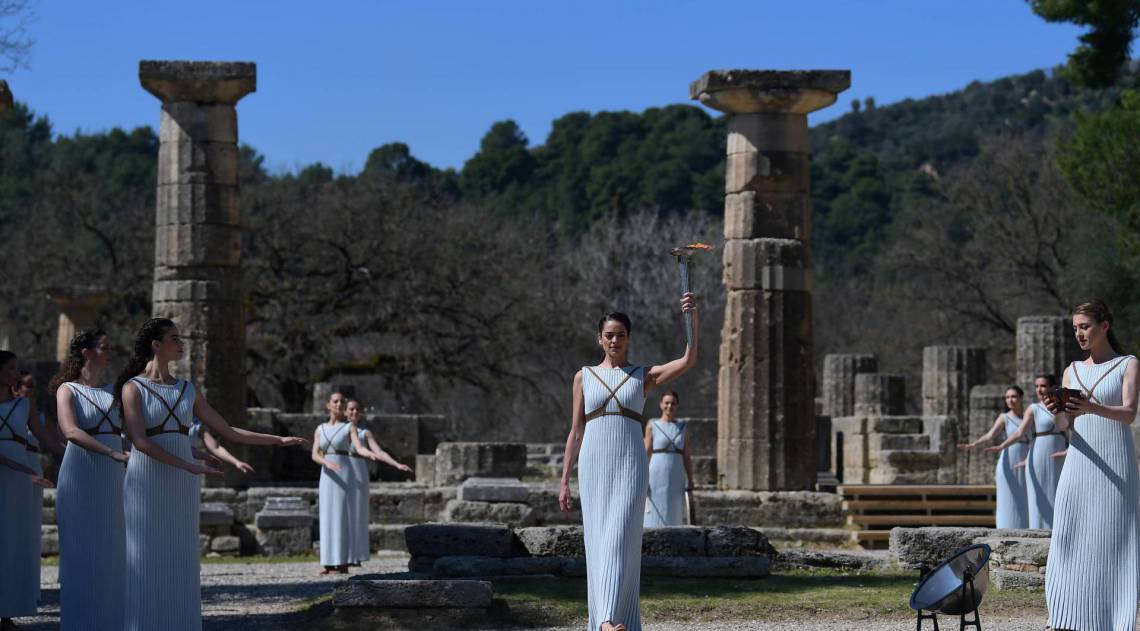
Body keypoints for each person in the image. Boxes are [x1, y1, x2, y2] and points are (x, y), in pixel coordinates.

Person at [115, 318, 308, 631]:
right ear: (156, 345)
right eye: (174, 338)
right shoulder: (132, 388)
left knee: (180, 553)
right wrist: (188, 464)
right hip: (147, 479)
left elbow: (228, 430)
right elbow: (140, 441)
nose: (181, 344)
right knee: (145, 554)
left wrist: (278, 439)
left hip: (182, 479)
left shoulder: (188, 389)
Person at [558, 293, 699, 631]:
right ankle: (608, 620)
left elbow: (689, 359)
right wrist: (564, 480)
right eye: (609, 335)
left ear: (629, 338)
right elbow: (575, 432)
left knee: (622, 537)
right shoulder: (584, 377)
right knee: (598, 541)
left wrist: (692, 318)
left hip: (630, 465)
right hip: (594, 465)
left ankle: (611, 620)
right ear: (600, 339)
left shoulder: (643, 375)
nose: (615, 340)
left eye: (621, 334)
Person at [1045, 300, 1139, 630]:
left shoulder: (1128, 364)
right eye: (1075, 329)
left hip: (1116, 462)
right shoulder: (1072, 369)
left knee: (1114, 538)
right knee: (1068, 534)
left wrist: (1090, 406)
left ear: (1104, 326)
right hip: (1080, 462)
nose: (1079, 334)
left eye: (1084, 326)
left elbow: (1128, 413)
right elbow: (1063, 425)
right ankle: (1066, 615)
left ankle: (1115, 619)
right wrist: (1055, 409)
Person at [50, 330, 129, 631]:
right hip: (81, 473)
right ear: (86, 352)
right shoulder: (66, 390)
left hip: (112, 475)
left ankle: (111, 621)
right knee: (81, 550)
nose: (110, 352)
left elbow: (129, 436)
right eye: (104, 348)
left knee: (112, 549)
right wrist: (112, 452)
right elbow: (70, 431)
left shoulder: (114, 390)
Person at [0, 351, 53, 631]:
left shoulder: (25, 405)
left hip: (19, 479)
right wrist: (18, 468)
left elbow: (45, 437)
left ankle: (6, 610)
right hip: (12, 473)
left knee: (12, 541)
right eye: (10, 369)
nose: (15, 374)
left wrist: (72, 452)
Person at [990, 374, 1066, 529]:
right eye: (1037, 386)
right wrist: (1003, 445)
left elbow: (1071, 429)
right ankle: (1039, 532)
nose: (1039, 389)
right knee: (1040, 496)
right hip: (1039, 453)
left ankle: (1060, 530)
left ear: (1052, 387)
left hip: (1059, 452)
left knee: (1060, 493)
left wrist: (1069, 449)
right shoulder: (1033, 408)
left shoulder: (1062, 407)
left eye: (1043, 386)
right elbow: (1019, 433)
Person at [345, 399, 412, 566]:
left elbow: (379, 451)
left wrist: (396, 464)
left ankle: (356, 555)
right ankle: (341, 554)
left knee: (358, 512)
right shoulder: (337, 430)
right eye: (351, 409)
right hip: (342, 469)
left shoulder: (364, 432)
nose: (354, 412)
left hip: (358, 469)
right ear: (345, 412)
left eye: (357, 409)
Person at [311, 391, 371, 574]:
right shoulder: (320, 429)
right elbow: (314, 454)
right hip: (327, 474)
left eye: (341, 402)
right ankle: (327, 562)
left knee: (342, 516)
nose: (338, 404)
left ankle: (343, 561)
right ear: (328, 405)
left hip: (345, 473)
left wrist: (371, 454)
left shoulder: (349, 428)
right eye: (335, 401)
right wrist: (326, 462)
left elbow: (359, 447)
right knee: (327, 516)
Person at [958, 385, 1029, 528]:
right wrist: (974, 444)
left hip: (1025, 458)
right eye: (1007, 397)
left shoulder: (1029, 415)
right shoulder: (1004, 417)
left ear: (1021, 398)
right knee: (1007, 497)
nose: (1010, 400)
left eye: (1014, 396)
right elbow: (991, 434)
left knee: (1025, 497)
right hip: (1008, 459)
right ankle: (1005, 527)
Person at [643, 390, 694, 527]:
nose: (669, 406)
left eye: (673, 403)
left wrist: (690, 479)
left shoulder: (683, 428)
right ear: (661, 404)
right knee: (653, 510)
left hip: (676, 473)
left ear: (677, 406)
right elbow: (646, 452)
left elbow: (687, 456)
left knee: (674, 509)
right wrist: (641, 475)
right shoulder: (652, 425)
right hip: (655, 472)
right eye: (666, 403)